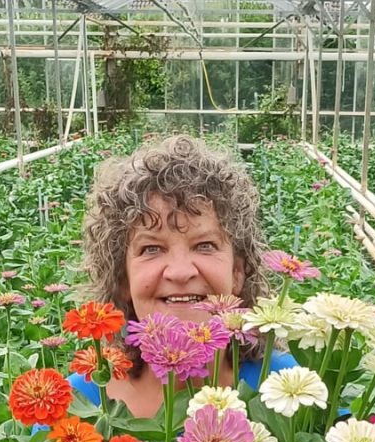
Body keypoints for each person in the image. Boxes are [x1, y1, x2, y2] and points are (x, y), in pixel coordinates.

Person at [69, 135, 295, 418]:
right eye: (151, 248)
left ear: (237, 273)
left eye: (205, 245)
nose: (180, 271)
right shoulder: (78, 403)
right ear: (122, 281)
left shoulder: (287, 385)